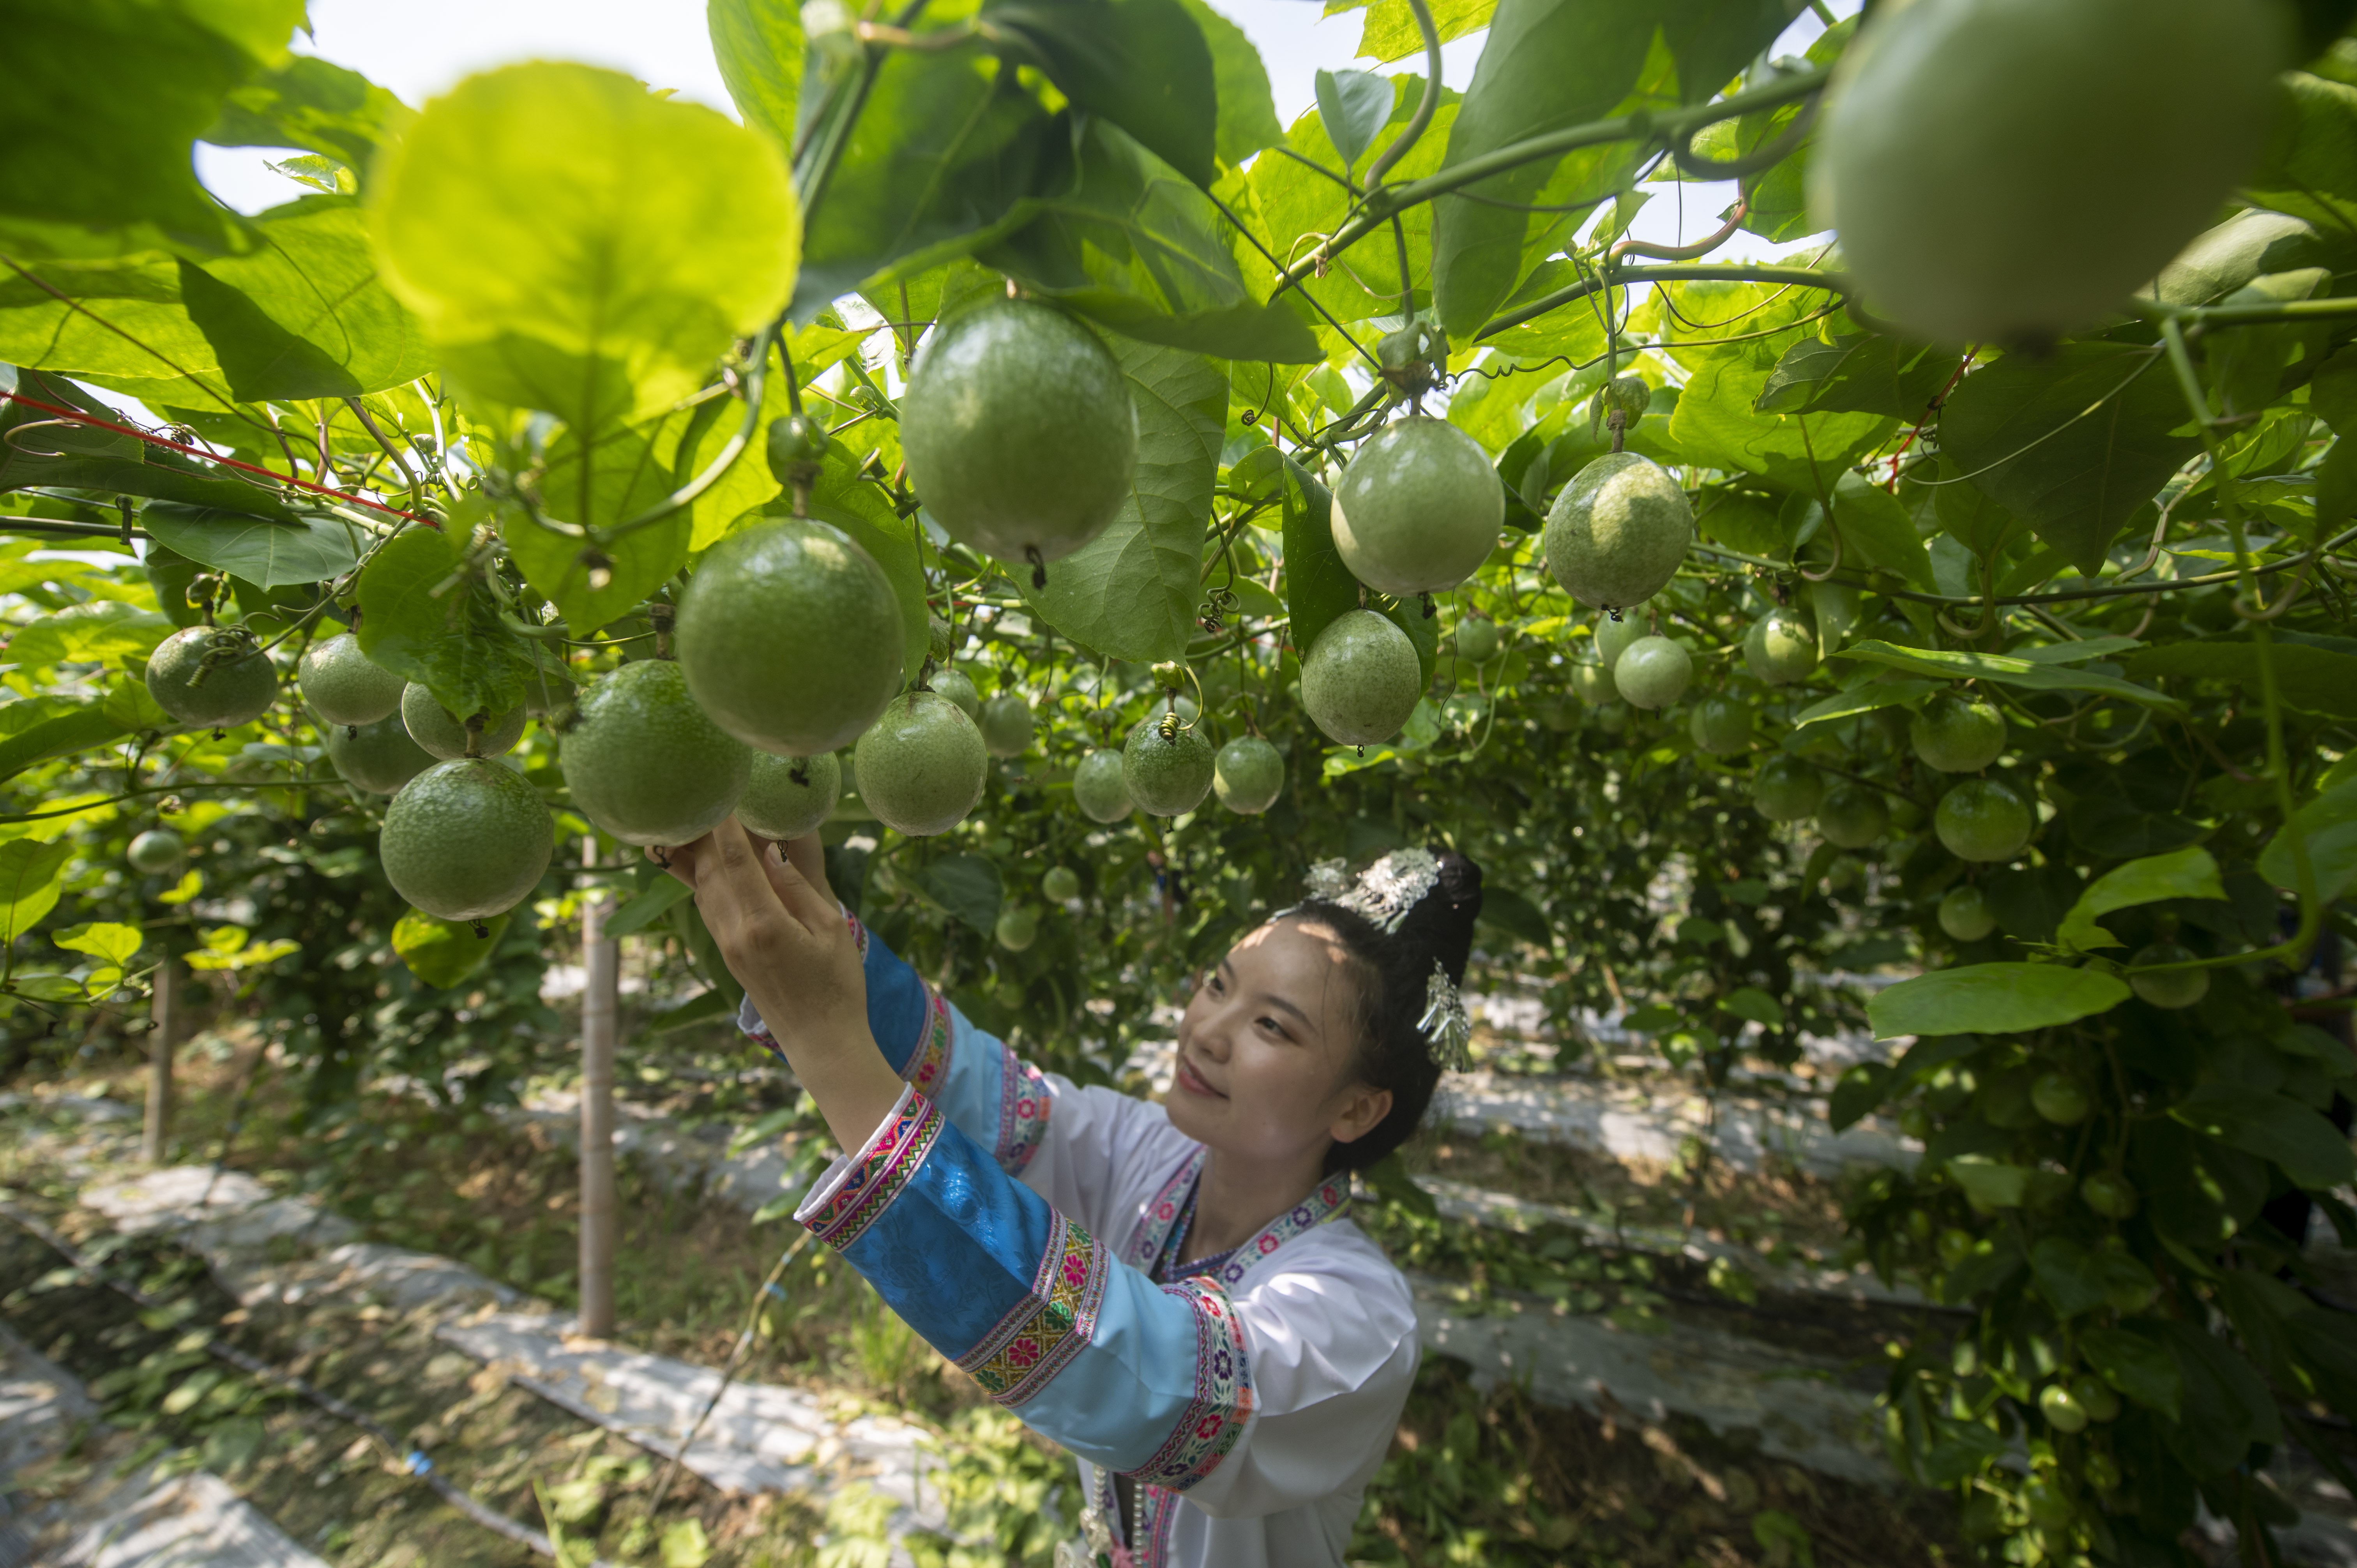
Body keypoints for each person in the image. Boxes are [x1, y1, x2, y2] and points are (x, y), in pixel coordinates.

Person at [657, 825, 1483, 1568]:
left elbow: (1146, 1373)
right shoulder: (1156, 1153)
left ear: (1357, 1107)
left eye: (1273, 1025)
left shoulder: (1359, 1319)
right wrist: (821, 932)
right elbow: (981, 1089)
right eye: (1220, 983)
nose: (1208, 1028)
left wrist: (826, 1037)